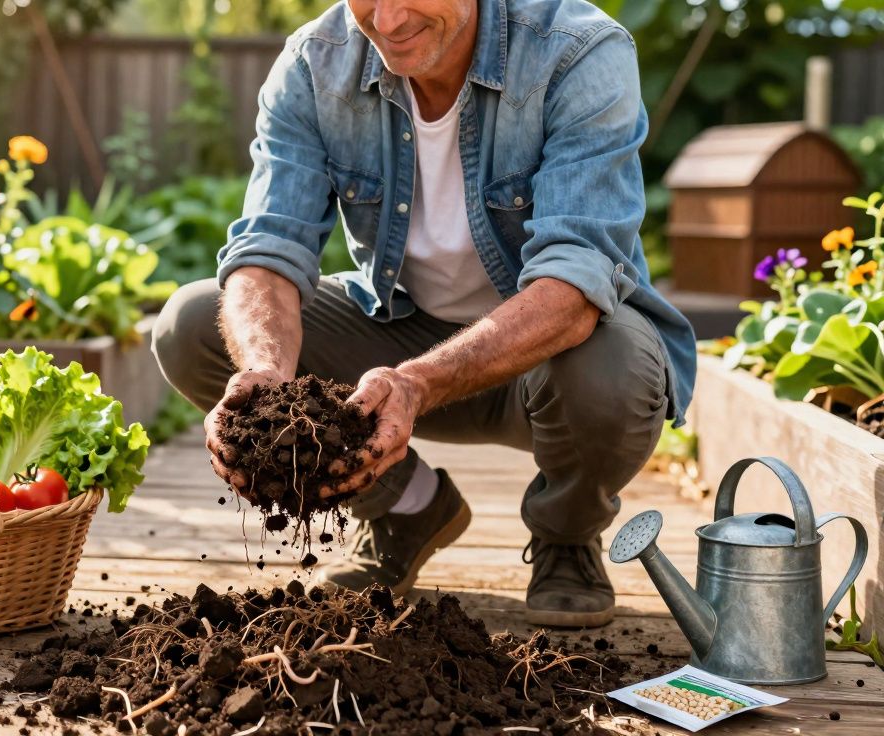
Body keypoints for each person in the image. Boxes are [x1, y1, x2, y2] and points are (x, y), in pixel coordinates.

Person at [151, 0, 696, 627]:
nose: (386, 21)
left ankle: (567, 534)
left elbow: (573, 285)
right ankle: (405, 506)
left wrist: (417, 383)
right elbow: (270, 246)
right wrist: (269, 377)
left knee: (616, 369)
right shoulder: (314, 62)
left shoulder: (577, 51)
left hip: (550, 362)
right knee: (194, 324)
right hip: (398, 335)